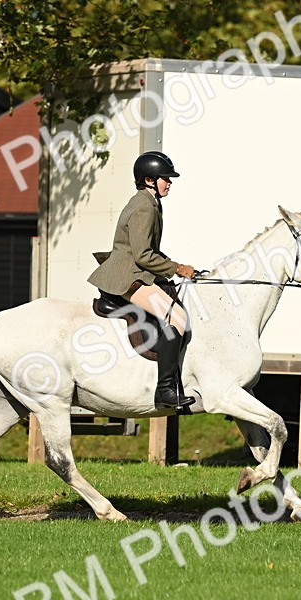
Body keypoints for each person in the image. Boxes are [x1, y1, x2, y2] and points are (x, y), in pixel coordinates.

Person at [88, 151, 200, 410]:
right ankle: (165, 392)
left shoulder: (149, 202)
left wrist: (174, 269)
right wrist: (177, 268)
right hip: (129, 277)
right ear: (149, 180)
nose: (169, 183)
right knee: (178, 318)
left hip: (137, 272)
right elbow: (143, 255)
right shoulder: (143, 207)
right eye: (165, 179)